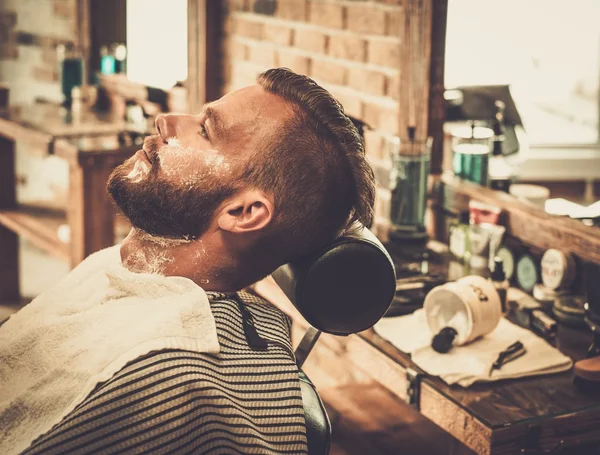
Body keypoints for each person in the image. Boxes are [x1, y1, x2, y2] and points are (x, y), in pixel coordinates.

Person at [0, 68, 375, 454]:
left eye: (205, 131)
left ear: (243, 212)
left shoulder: (156, 375)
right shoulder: (124, 266)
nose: (166, 122)